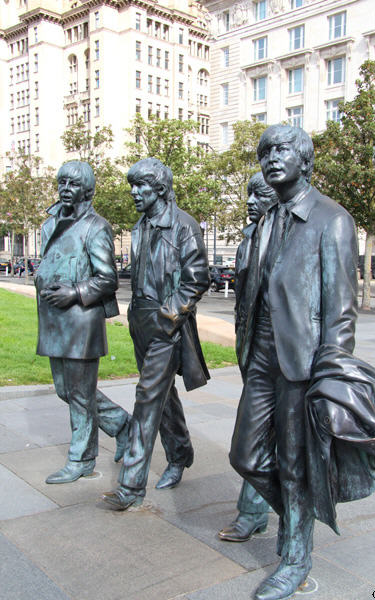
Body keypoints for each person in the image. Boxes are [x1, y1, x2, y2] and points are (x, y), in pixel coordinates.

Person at [229, 125, 359, 600]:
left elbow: (341, 312)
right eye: (265, 152)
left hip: (302, 361)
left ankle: (297, 556)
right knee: (245, 454)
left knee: (294, 461)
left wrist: (332, 377)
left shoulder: (332, 220)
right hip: (261, 355)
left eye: (282, 150)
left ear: (304, 161)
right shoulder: (267, 219)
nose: (271, 158)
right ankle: (293, 515)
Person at [102, 158, 210, 510]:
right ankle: (180, 454)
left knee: (147, 398)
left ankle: (131, 487)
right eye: (132, 186)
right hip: (141, 323)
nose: (134, 193)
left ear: (160, 189)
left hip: (167, 324)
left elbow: (197, 279)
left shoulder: (183, 226)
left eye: (141, 187)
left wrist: (168, 317)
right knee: (163, 397)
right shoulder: (140, 226)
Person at [35, 161, 130, 484]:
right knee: (68, 390)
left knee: (78, 393)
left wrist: (74, 292)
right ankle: (122, 426)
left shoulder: (96, 227)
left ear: (87, 190)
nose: (65, 189)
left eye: (73, 184)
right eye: (61, 182)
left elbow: (108, 279)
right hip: (54, 320)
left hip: (80, 321)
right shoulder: (51, 224)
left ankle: (82, 458)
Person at [219, 172, 275, 543]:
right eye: (249, 194)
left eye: (260, 194)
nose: (250, 202)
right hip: (253, 349)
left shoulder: (296, 236)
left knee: (270, 438)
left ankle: (256, 510)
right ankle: (257, 510)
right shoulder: (247, 242)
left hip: (289, 352)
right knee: (252, 438)